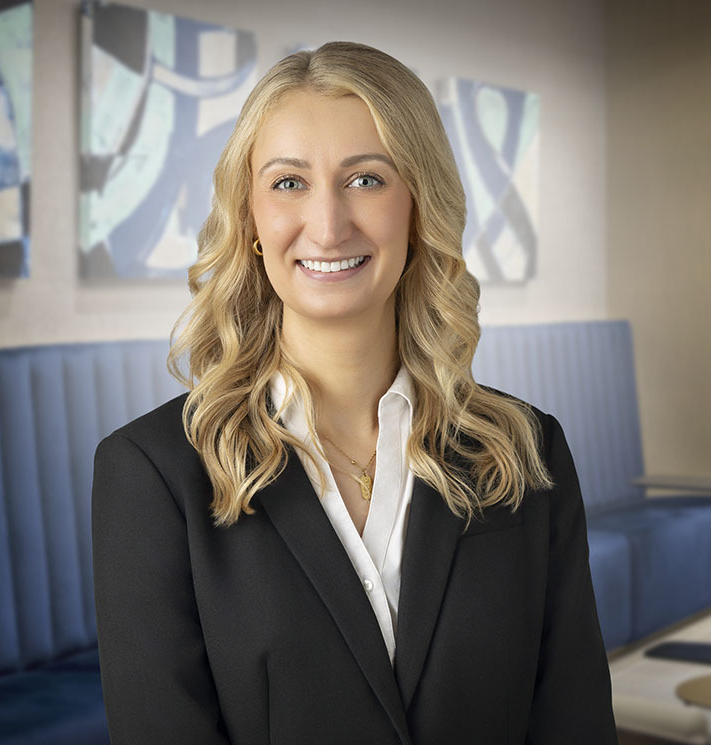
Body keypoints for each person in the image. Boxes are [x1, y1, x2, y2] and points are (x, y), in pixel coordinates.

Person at [91, 41, 617, 745]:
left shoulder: (526, 451)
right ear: (249, 220)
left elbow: (574, 723)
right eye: (288, 183)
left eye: (366, 179)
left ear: (417, 205)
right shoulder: (153, 474)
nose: (329, 223)